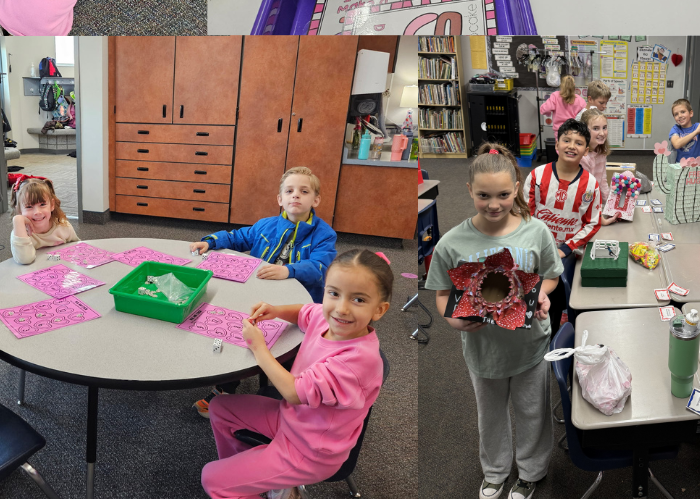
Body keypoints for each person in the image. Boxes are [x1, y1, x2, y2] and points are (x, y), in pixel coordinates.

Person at [427, 143, 563, 499]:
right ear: (469, 190)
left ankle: (531, 472)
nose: (494, 204)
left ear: (515, 189)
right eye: (483, 195)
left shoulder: (535, 231)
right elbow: (441, 293)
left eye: (503, 194)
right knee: (490, 415)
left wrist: (542, 293)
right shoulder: (451, 243)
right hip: (484, 351)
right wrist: (453, 321)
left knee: (533, 412)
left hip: (530, 345)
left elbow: (550, 275)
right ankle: (495, 471)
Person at [201, 249, 391, 499]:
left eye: (358, 300)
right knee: (220, 407)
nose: (341, 309)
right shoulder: (328, 319)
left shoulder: (357, 361)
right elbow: (305, 312)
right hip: (293, 420)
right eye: (334, 293)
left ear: (379, 310)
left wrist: (258, 347)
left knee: (212, 480)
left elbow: (293, 393)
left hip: (311, 452)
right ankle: (253, 481)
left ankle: (256, 482)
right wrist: (276, 310)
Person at [190, 167, 338, 417]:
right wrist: (211, 241)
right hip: (259, 294)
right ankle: (225, 389)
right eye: (289, 191)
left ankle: (291, 393)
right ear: (280, 199)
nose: (296, 196)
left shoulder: (324, 234)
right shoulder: (266, 225)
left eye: (304, 191)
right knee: (236, 329)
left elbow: (320, 267)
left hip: (298, 305)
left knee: (291, 351)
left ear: (316, 200)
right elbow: (238, 238)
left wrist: (289, 270)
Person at [524, 119, 602, 337]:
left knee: (555, 301)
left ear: (586, 150)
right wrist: (535, 245)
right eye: (566, 140)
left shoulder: (590, 184)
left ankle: (552, 332)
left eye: (579, 143)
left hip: (566, 253)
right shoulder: (537, 176)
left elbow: (592, 222)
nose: (571, 146)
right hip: (534, 249)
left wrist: (565, 248)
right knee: (528, 297)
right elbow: (524, 215)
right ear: (556, 144)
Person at [10, 176, 79, 264]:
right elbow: (25, 260)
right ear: (19, 210)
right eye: (29, 207)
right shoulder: (21, 233)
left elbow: (78, 249)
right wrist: (17, 220)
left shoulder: (63, 226)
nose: (37, 212)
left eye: (42, 204)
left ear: (52, 205)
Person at [581, 108, 616, 213]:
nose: (602, 133)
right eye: (596, 128)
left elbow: (602, 181)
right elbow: (584, 190)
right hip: (582, 206)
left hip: (593, 201)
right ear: (585, 130)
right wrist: (597, 213)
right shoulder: (583, 157)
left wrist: (609, 204)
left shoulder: (601, 152)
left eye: (604, 128)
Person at [540, 76, 586, 153]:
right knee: (573, 151)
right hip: (575, 130)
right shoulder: (580, 100)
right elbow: (586, 115)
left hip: (559, 131)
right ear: (574, 85)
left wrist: (548, 111)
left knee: (561, 152)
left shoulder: (555, 96)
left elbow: (544, 110)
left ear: (561, 85)